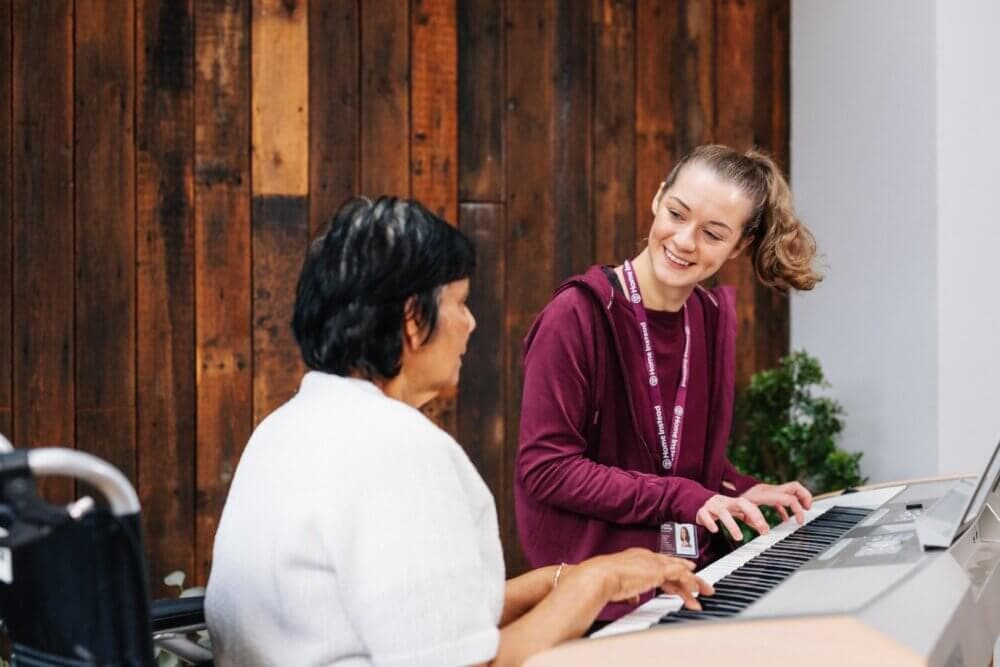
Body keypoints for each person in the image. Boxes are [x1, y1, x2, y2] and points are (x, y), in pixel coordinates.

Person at [205, 196, 713, 666]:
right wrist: (598, 583)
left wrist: (563, 579)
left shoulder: (284, 429)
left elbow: (416, 618)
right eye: (461, 302)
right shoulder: (399, 449)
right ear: (411, 320)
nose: (471, 323)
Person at [515, 144, 819, 621]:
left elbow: (673, 459)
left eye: (713, 234)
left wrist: (737, 489)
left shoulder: (710, 317)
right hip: (597, 597)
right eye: (677, 213)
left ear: (739, 245)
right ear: (658, 197)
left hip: (687, 578)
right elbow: (547, 469)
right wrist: (684, 496)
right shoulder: (575, 315)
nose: (684, 240)